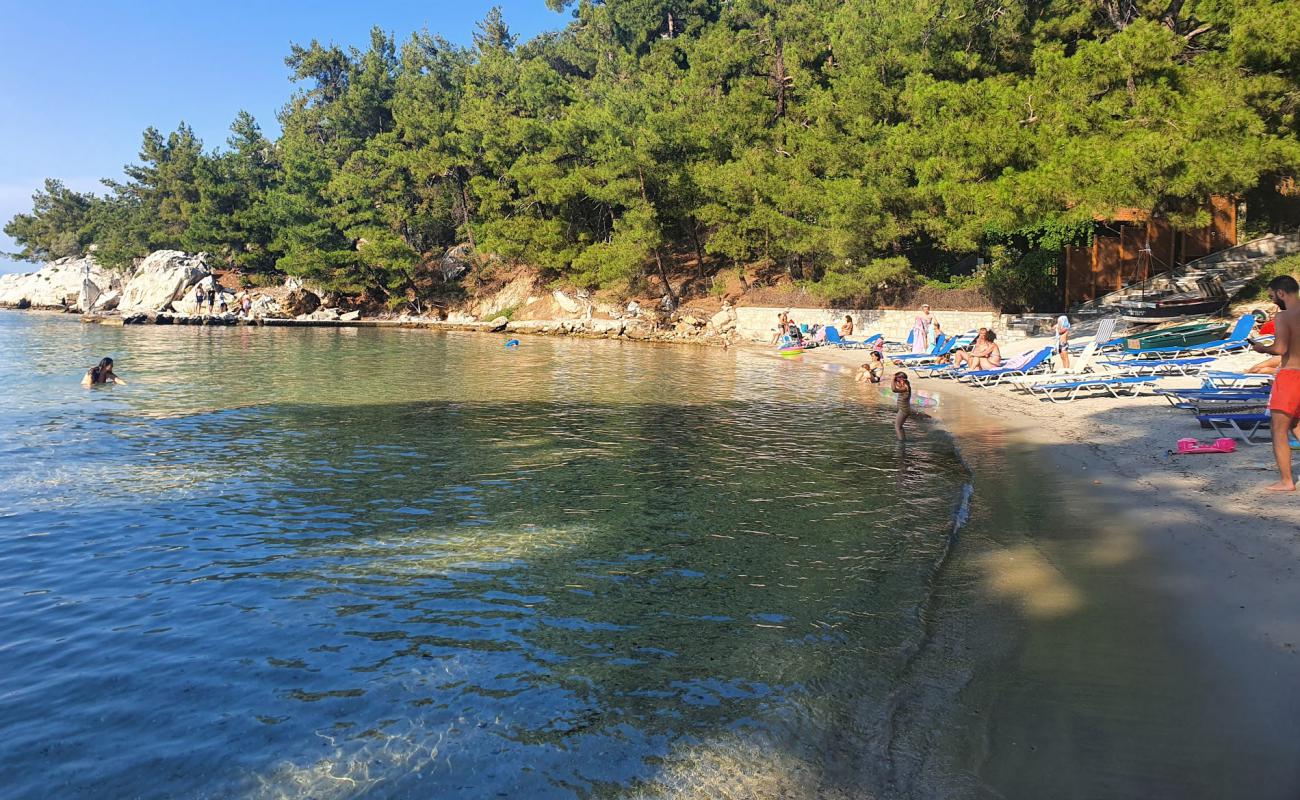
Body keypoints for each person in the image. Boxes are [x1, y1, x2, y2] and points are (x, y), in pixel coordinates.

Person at [1250, 274, 1300, 491]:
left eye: (1272, 296)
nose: (1273, 301)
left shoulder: (1284, 316)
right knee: (1296, 425)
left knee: (1278, 429)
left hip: (1290, 375)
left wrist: (1262, 348)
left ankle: (1287, 481)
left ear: (1281, 293)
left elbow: (1280, 349)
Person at [892, 371, 912, 440]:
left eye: (897, 379)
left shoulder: (905, 387)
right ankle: (903, 439)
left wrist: (892, 379)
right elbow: (898, 385)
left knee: (897, 426)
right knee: (899, 426)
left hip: (904, 409)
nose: (896, 381)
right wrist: (895, 379)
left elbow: (894, 389)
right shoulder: (905, 383)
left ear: (901, 379)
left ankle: (901, 442)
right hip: (904, 408)